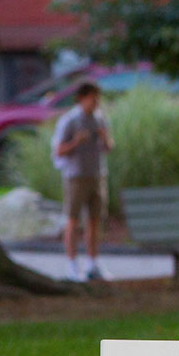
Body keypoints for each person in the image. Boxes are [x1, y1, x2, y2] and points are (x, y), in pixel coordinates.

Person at [51, 80, 113, 283]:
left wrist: (105, 138)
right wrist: (76, 142)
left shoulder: (100, 118)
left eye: (98, 99)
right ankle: (71, 264)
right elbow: (58, 151)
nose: (96, 103)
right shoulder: (70, 120)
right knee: (72, 220)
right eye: (93, 98)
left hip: (97, 174)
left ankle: (93, 263)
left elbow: (109, 147)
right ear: (82, 98)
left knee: (94, 220)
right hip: (75, 176)